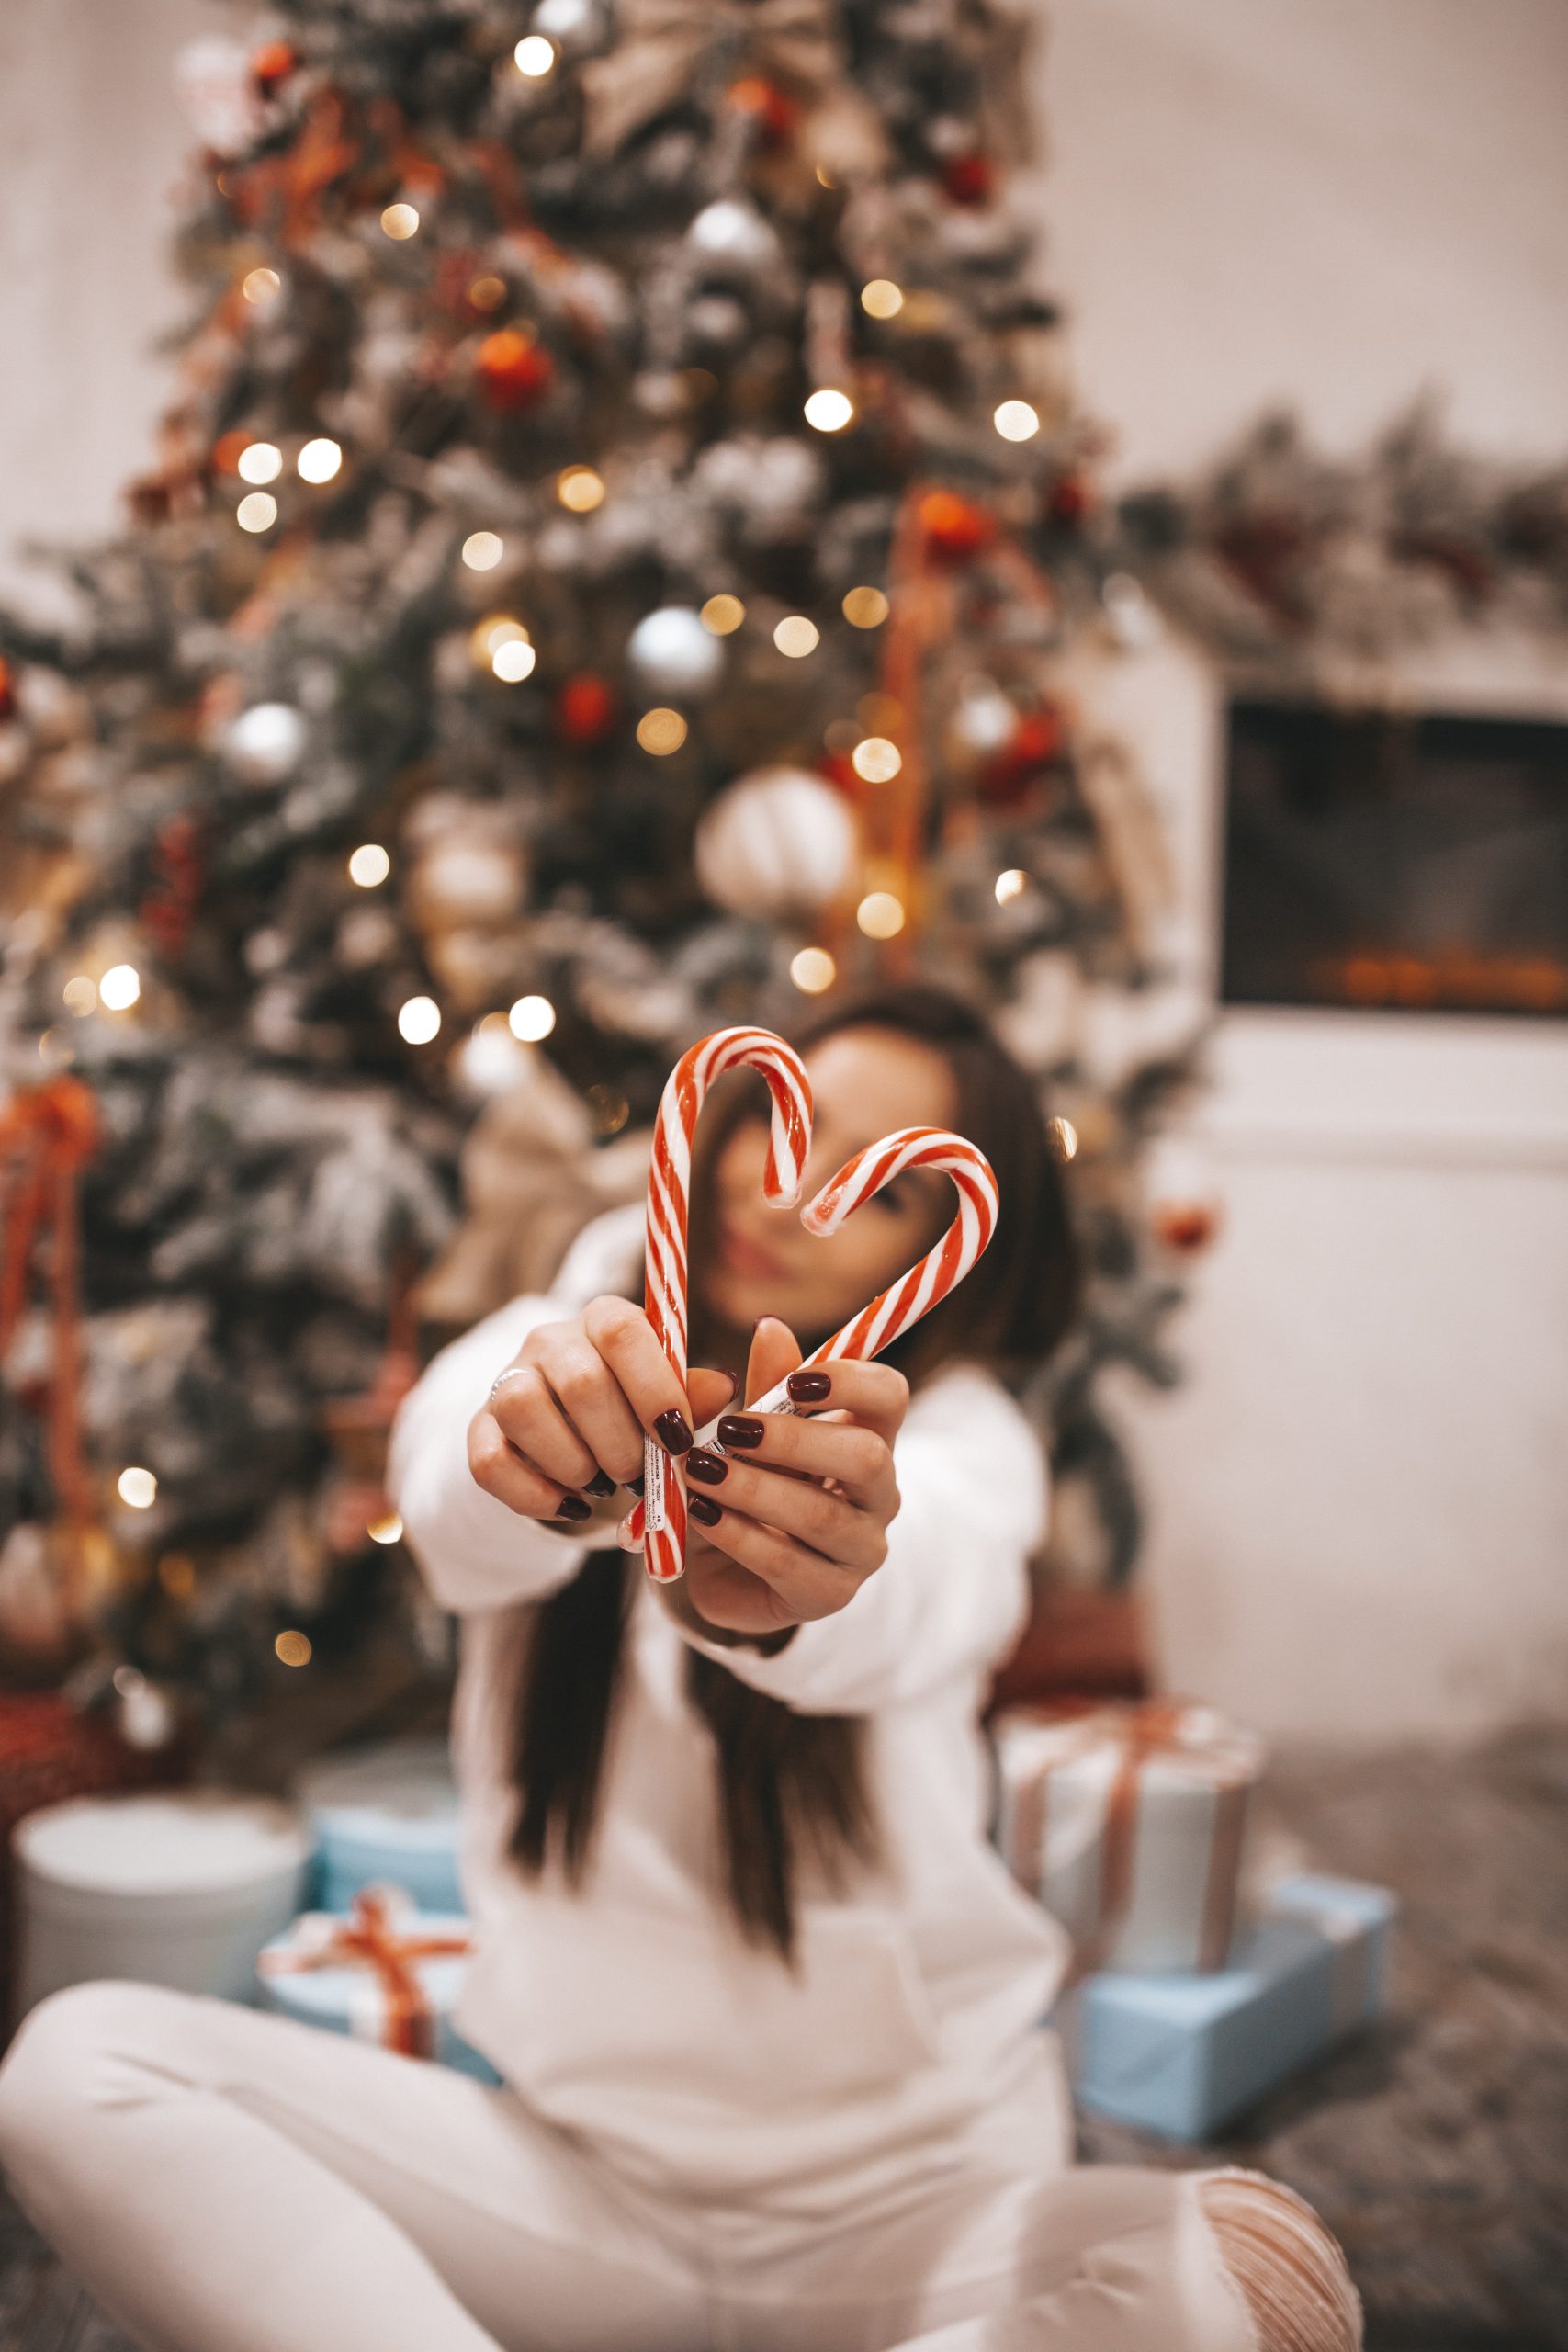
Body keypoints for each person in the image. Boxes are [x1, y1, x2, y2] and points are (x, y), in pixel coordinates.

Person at [0, 987, 1360, 2352]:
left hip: (920, 2211)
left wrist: (781, 1595)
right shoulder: (543, 1338)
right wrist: (548, 1472)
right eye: (788, 1129)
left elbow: (926, 1586)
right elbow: (454, 1499)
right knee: (76, 2066)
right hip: (575, 2198)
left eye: (877, 1194)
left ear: (946, 1253)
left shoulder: (961, 1445)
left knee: (1250, 2278)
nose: (794, 1201)